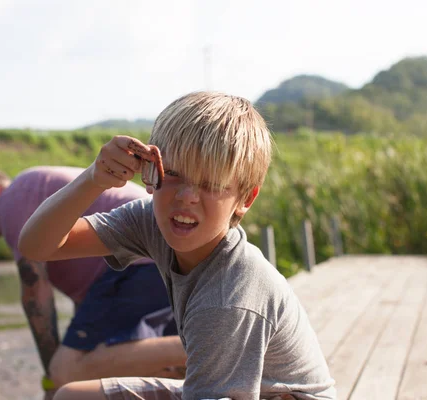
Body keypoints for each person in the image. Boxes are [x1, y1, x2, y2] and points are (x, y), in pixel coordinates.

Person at [18, 92, 336, 400]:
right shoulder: (152, 221)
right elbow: (38, 246)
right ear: (151, 171)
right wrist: (94, 178)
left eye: (210, 183)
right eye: (172, 173)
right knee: (72, 396)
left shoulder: (227, 298)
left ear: (245, 199)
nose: (186, 197)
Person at [0, 166, 187, 400]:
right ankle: (197, 352)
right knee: (161, 371)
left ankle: (205, 347)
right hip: (166, 257)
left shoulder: (12, 199)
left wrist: (51, 378)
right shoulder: (36, 188)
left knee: (68, 374)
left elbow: (35, 293)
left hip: (138, 260)